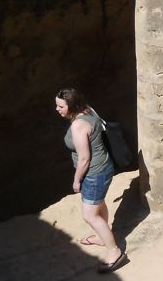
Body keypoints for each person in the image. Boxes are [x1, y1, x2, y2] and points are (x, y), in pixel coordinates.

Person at [55, 88, 128, 273]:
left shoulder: (78, 126)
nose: (57, 109)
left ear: (71, 106)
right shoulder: (88, 110)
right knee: (98, 204)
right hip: (103, 168)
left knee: (89, 215)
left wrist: (76, 180)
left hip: (94, 174)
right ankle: (102, 236)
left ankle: (115, 252)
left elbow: (84, 158)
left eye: (60, 106)